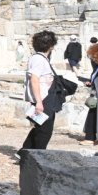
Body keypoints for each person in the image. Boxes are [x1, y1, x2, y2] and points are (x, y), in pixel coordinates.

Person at [18, 30, 59, 162]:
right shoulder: (38, 59)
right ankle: (37, 158)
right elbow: (34, 79)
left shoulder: (39, 58)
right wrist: (39, 102)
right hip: (43, 100)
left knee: (39, 128)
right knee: (44, 131)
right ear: (51, 45)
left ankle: (24, 154)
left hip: (42, 99)